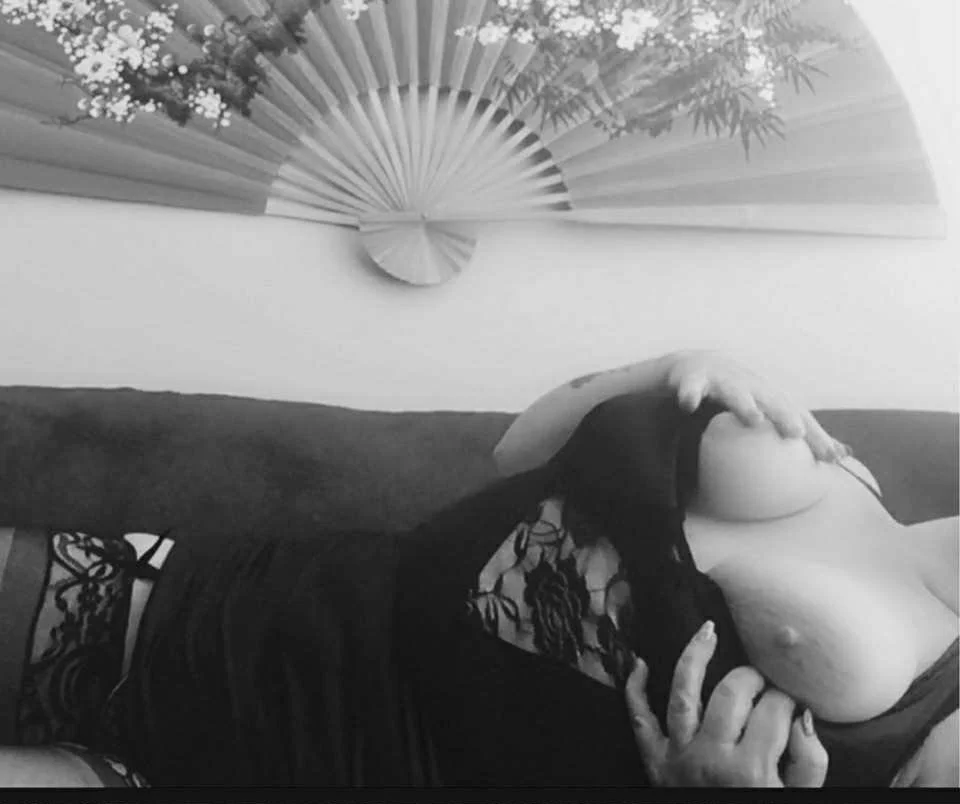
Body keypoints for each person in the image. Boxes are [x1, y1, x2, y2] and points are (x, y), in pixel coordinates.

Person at [0, 351, 954, 787]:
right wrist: (672, 364)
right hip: (199, 601)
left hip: (301, 768)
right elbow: (516, 450)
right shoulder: (844, 466)